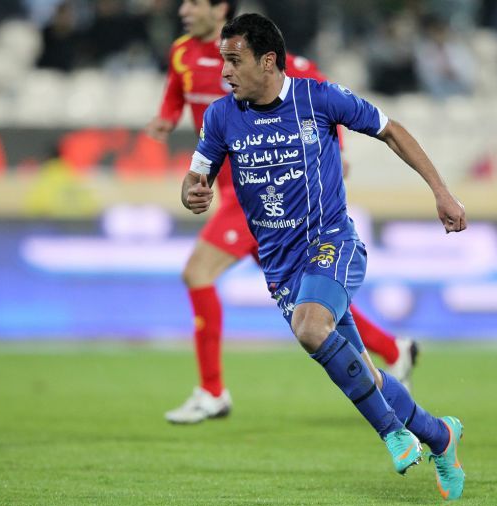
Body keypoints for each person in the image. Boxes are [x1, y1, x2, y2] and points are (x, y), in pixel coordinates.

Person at [182, 13, 466, 500]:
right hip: (281, 266)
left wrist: (441, 192)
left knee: (311, 328)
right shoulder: (220, 117)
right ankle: (440, 435)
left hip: (332, 242)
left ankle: (393, 433)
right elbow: (196, 176)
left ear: (267, 61)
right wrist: (193, 192)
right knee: (363, 371)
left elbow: (391, 130)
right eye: (222, 60)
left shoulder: (318, 98)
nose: (224, 72)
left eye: (234, 60)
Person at [146, 0, 418, 425]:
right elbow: (175, 98)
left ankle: (212, 391)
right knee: (313, 300)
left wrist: (338, 152)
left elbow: (326, 107)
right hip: (242, 196)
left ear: (220, 8)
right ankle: (391, 348)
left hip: (265, 196)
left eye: (195, 1)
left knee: (198, 273)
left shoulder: (281, 65)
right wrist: (165, 120)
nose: (184, 9)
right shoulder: (181, 53)